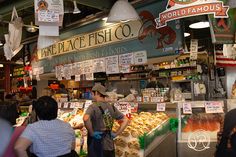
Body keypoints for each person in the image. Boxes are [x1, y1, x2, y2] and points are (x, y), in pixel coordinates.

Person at [83, 84, 129, 157]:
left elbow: (86, 118)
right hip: (109, 145)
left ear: (97, 93)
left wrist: (92, 133)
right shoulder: (111, 107)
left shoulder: (93, 106)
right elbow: (126, 120)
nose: (92, 95)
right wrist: (116, 133)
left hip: (97, 145)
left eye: (93, 93)